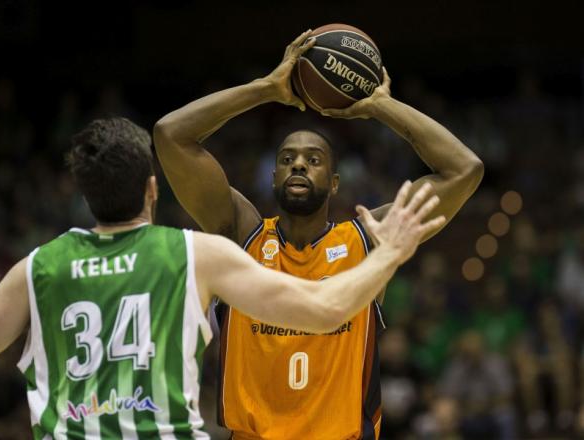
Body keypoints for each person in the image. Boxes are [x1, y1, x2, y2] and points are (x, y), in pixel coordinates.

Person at [0, 118, 445, 439]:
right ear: (153, 190)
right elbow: (327, 308)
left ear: (85, 195)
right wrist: (390, 253)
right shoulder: (194, 254)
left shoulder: (37, 269)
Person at [153, 30, 483, 439]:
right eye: (287, 159)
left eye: (314, 160)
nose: (299, 166)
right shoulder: (241, 234)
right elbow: (171, 135)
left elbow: (464, 170)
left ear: (336, 182)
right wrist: (265, 89)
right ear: (273, 175)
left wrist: (381, 106)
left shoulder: (370, 240)